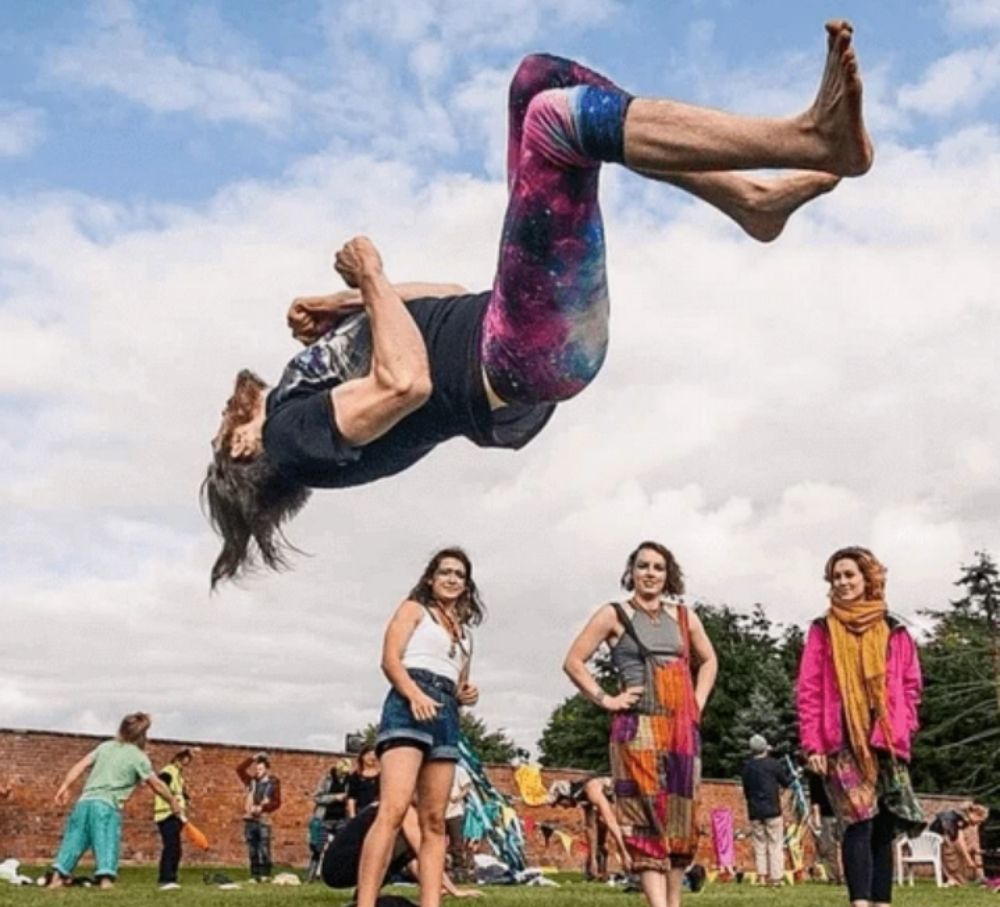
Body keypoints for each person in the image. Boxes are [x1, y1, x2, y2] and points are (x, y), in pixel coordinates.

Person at [203, 22, 874, 586]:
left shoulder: (309, 402)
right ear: (239, 450)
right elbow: (407, 382)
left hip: (503, 323)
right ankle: (809, 140)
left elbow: (440, 301)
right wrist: (371, 272)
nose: (227, 413)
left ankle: (748, 202)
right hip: (522, 358)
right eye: (221, 429)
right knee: (559, 126)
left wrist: (347, 299)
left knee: (539, 83)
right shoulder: (292, 439)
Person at [563, 540, 718, 907]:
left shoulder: (684, 617)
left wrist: (697, 702)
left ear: (669, 575)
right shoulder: (613, 614)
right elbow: (573, 661)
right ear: (631, 571)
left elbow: (710, 659)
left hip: (681, 729)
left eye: (658, 567)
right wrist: (606, 699)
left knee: (682, 818)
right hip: (637, 727)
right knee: (644, 817)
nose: (651, 573)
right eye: (643, 566)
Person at [352, 548, 482, 907]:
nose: (452, 579)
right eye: (445, 572)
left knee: (434, 821)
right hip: (409, 705)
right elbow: (390, 660)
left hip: (445, 713)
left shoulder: (465, 635)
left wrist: (467, 693)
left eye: (459, 574)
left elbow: (459, 683)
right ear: (431, 578)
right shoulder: (413, 609)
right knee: (392, 810)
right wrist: (413, 695)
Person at [797, 546, 924, 907]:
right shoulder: (822, 630)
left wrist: (906, 724)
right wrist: (813, 742)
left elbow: (910, 685)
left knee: (883, 830)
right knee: (858, 823)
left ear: (868, 577)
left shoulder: (895, 630)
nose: (843, 583)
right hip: (841, 740)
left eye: (850, 575)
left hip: (886, 740)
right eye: (836, 577)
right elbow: (810, 689)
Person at [48, 712, 182, 889]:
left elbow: (81, 765)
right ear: (142, 735)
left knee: (74, 840)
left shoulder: (105, 747)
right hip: (106, 805)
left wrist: (65, 786)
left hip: (84, 802)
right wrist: (173, 801)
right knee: (106, 841)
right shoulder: (138, 757)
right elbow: (156, 784)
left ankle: (58, 877)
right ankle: (105, 880)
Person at [323, 801, 481, 907]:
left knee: (403, 845)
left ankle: (364, 898)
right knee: (411, 843)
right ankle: (365, 900)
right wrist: (454, 890)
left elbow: (411, 859)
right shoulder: (405, 811)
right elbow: (423, 852)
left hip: (335, 869)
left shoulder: (388, 808)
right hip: (339, 866)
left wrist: (438, 887)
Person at [548, 775, 630, 881]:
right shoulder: (583, 796)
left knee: (621, 828)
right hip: (619, 800)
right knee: (600, 825)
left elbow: (610, 821)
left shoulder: (591, 788)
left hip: (631, 797)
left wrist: (624, 853)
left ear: (565, 795)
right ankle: (598, 869)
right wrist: (592, 859)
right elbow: (590, 828)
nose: (563, 807)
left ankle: (633, 868)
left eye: (559, 803)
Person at [740, 735, 791, 887]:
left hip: (755, 811)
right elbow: (787, 783)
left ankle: (762, 876)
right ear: (765, 749)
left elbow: (746, 791)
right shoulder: (773, 765)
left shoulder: (747, 767)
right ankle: (775, 878)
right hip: (772, 809)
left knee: (759, 844)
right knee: (775, 843)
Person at [236, 752, 282, 881]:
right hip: (250, 818)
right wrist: (253, 758)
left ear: (267, 769)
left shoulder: (273, 783)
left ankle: (265, 874)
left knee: (264, 847)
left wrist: (262, 808)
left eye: (261, 769)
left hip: (263, 819)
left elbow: (277, 802)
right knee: (252, 848)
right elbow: (239, 769)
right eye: (256, 769)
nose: (258, 771)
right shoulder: (252, 782)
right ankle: (254, 874)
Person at [153, 748, 195, 890]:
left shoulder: (178, 775)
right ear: (178, 759)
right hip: (166, 814)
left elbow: (180, 792)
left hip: (175, 816)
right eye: (184, 763)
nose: (184, 766)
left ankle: (171, 877)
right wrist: (174, 803)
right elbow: (161, 785)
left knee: (175, 848)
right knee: (172, 847)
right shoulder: (169, 770)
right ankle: (166, 878)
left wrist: (186, 799)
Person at [307, 758, 352, 882]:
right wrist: (335, 797)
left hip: (342, 819)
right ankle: (311, 878)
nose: (343, 775)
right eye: (341, 772)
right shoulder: (327, 779)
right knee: (318, 848)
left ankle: (338, 877)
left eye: (345, 773)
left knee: (341, 849)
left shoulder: (350, 781)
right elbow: (317, 797)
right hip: (324, 819)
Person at [931, 802, 989, 886]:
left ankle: (958, 879)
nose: (979, 824)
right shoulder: (959, 819)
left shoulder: (962, 819)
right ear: (975, 814)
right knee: (952, 850)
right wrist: (969, 861)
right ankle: (953, 879)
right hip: (938, 837)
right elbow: (960, 842)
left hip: (944, 834)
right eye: (980, 821)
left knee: (959, 849)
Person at [806, 763, 843, 883]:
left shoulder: (816, 773)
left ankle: (837, 875)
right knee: (833, 847)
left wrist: (816, 815)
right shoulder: (819, 774)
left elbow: (815, 798)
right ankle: (837, 875)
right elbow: (815, 798)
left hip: (835, 813)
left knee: (830, 847)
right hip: (834, 812)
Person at [444, 763, 473, 880]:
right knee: (436, 842)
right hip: (438, 812)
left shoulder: (458, 770)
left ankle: (459, 870)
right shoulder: (433, 768)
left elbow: (467, 786)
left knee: (457, 843)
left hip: (454, 811)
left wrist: (459, 796)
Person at [346, 748, 380, 818]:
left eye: (374, 755)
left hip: (377, 813)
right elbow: (352, 797)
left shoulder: (381, 775)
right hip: (360, 812)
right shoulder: (356, 775)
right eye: (368, 754)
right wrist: (352, 816)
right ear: (362, 757)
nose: (372, 757)